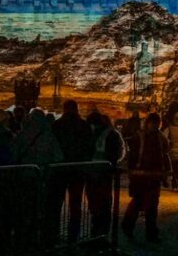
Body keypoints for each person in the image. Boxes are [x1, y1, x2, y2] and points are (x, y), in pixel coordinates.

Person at [50, 99, 95, 243]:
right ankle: (73, 234)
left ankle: (53, 233)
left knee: (56, 203)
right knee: (75, 204)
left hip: (60, 169)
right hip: (77, 169)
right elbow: (90, 147)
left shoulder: (56, 125)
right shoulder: (84, 126)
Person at [121, 112, 169, 243]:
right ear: (148, 123)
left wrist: (165, 175)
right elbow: (133, 156)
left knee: (152, 206)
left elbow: (164, 155)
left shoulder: (160, 138)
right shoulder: (140, 137)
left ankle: (151, 233)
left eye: (156, 123)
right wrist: (132, 173)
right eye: (153, 123)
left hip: (153, 177)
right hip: (141, 176)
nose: (155, 125)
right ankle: (128, 227)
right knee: (137, 203)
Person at [86, 112, 125, 240]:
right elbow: (118, 154)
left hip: (97, 174)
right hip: (100, 174)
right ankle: (99, 234)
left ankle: (99, 234)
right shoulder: (110, 133)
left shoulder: (101, 134)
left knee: (99, 205)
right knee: (101, 205)